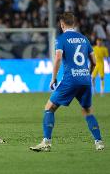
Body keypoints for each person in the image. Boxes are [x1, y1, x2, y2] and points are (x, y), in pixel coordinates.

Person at [30, 12, 104, 151]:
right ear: (74, 24)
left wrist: (53, 78)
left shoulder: (62, 39)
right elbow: (94, 61)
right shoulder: (84, 39)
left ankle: (46, 142)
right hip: (85, 80)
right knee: (87, 111)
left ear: (62, 24)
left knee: (49, 108)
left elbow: (58, 58)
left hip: (70, 79)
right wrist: (86, 74)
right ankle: (99, 142)